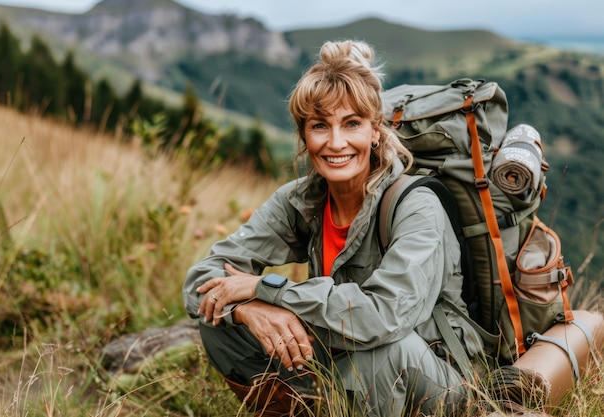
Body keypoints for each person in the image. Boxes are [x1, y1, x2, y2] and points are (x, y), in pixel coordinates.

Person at [183, 40, 484, 416]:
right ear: (304, 135)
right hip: (343, 365)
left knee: (383, 352)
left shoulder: (416, 207)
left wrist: (268, 291)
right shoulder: (300, 200)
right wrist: (249, 308)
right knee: (220, 321)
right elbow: (201, 282)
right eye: (320, 126)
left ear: (375, 131)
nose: (335, 142)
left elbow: (383, 317)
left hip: (437, 381)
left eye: (352, 124)